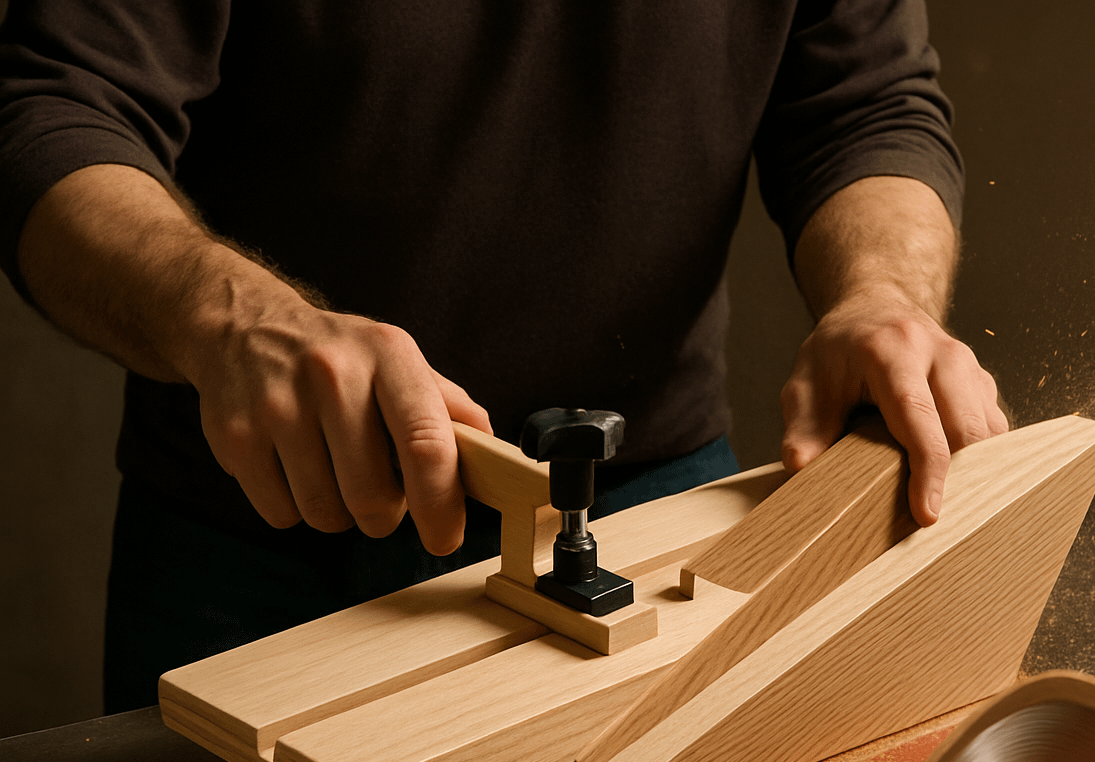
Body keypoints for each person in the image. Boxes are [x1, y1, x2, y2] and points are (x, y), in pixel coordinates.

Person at [0, 1, 1008, 713]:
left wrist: (883, 293)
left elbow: (864, 103)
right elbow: (51, 111)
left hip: (657, 520)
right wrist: (227, 316)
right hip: (270, 533)